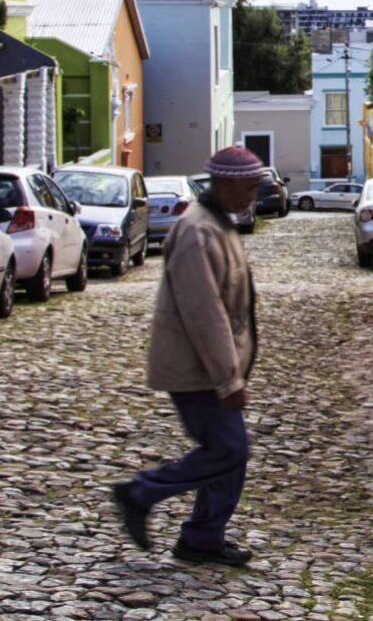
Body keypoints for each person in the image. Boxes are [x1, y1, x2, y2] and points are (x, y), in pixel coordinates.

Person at [111, 145, 263, 566]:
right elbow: (204, 311)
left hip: (214, 366)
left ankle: (203, 537)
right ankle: (141, 493)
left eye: (256, 187)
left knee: (231, 454)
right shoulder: (198, 231)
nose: (252, 196)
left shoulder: (219, 223)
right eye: (247, 187)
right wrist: (228, 378)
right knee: (228, 450)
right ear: (223, 184)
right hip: (196, 368)